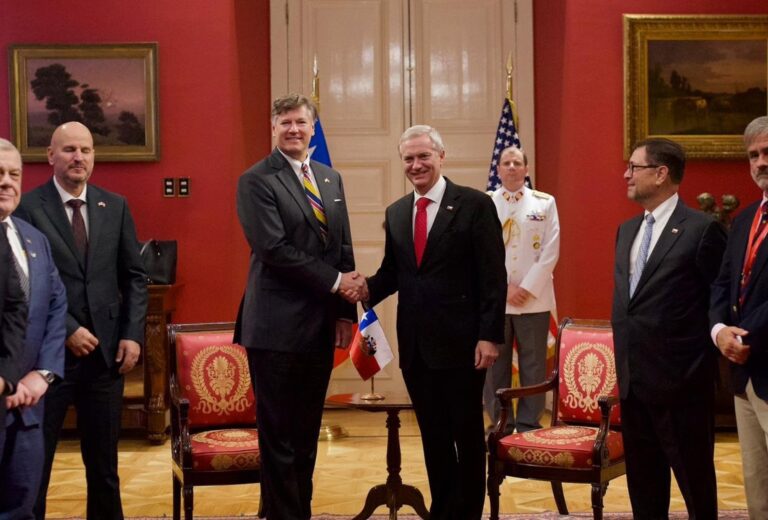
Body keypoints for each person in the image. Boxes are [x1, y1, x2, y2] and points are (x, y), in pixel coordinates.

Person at [365, 125, 506, 519]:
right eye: (408, 158)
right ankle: (443, 511)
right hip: (416, 347)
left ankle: (468, 514)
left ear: (441, 156)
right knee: (433, 437)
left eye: (423, 156)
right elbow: (393, 273)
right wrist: (359, 289)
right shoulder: (396, 212)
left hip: (464, 346)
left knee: (466, 435)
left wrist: (489, 336)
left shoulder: (475, 204)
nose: (416, 165)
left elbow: (493, 276)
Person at [235, 93, 364, 520]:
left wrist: (344, 312)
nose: (293, 129)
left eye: (301, 122)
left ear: (313, 129)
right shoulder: (256, 180)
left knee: (307, 433)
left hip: (319, 326)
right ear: (273, 128)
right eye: (285, 122)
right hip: (274, 329)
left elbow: (343, 246)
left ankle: (297, 513)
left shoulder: (329, 177)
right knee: (279, 436)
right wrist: (337, 283)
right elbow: (273, 249)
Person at [15, 122, 148, 520]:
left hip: (105, 359)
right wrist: (69, 329)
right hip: (47, 359)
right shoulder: (28, 208)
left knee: (105, 468)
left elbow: (134, 277)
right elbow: (25, 283)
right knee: (36, 467)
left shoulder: (115, 205)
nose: (79, 157)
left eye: (86, 150)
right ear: (50, 156)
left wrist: (132, 335)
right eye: (69, 149)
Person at [611, 138, 726, 519]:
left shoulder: (702, 229)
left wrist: (696, 369)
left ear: (661, 173)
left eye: (634, 167)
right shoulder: (627, 230)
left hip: (682, 388)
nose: (626, 174)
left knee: (696, 486)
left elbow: (717, 303)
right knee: (644, 489)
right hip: (633, 383)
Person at [0, 138, 67, 519]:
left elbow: (56, 306)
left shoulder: (32, 238)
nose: (6, 182)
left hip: (28, 404)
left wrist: (42, 374)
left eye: (14, 174)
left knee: (23, 504)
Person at [710, 116, 768, 519]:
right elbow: (722, 283)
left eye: (767, 152)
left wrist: (745, 336)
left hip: (762, 355)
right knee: (756, 478)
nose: (761, 162)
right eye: (753, 155)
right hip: (743, 374)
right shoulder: (745, 219)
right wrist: (719, 331)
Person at [483, 146, 559, 434]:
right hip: (496, 300)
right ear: (498, 169)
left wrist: (526, 288)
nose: (512, 167)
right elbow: (479, 253)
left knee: (533, 366)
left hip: (533, 300)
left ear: (526, 169)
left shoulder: (545, 203)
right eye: (506, 163)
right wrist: (503, 289)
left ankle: (529, 425)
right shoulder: (486, 203)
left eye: (517, 163)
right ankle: (501, 424)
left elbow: (551, 250)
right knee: (494, 365)